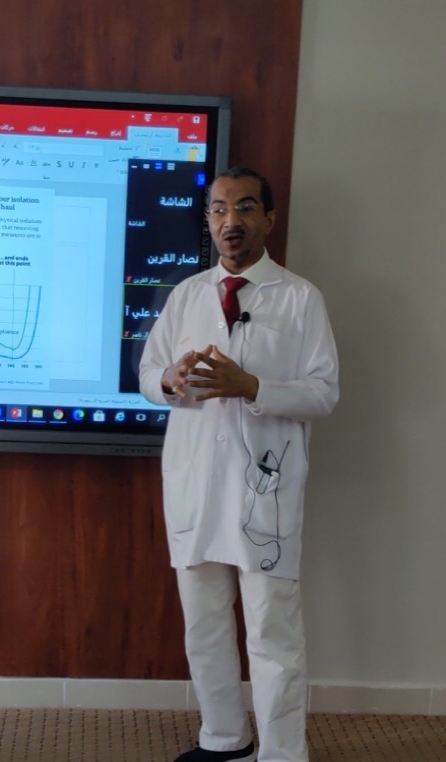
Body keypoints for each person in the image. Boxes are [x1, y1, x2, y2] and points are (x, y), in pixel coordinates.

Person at [139, 167, 339, 762]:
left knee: (272, 632)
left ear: (268, 219)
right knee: (203, 626)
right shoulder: (187, 295)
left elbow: (324, 394)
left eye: (246, 207)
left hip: (263, 493)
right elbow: (148, 374)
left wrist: (250, 386)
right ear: (208, 221)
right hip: (196, 486)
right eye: (220, 209)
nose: (232, 220)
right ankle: (225, 740)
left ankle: (281, 755)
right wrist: (170, 380)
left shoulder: (300, 298)